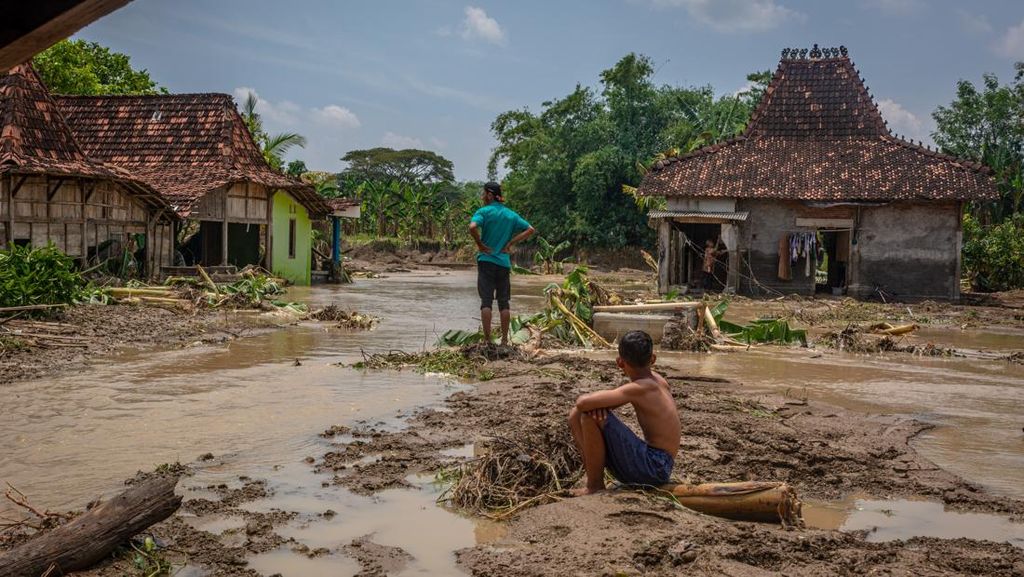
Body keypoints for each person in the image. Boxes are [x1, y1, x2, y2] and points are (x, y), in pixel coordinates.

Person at [567, 330, 680, 495]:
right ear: (653, 359)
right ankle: (592, 478)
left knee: (588, 416)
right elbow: (589, 406)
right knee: (576, 414)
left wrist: (595, 410)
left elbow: (582, 402)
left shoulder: (639, 388)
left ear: (620, 362)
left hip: (653, 467)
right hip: (661, 465)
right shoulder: (657, 380)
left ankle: (594, 485)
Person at [468, 181, 535, 345]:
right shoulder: (510, 215)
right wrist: (510, 243)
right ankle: (505, 340)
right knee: (504, 303)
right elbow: (530, 229)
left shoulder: (484, 212)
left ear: (490, 195)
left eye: (484, 194)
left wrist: (479, 244)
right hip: (503, 263)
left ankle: (487, 341)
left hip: (486, 261)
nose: (482, 197)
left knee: (486, 302)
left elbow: (472, 227)